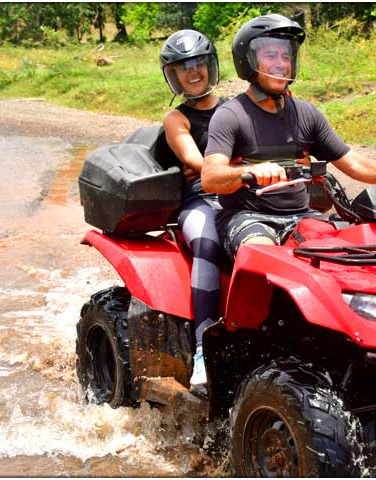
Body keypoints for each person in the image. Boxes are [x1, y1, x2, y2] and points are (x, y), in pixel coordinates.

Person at [201, 14, 376, 259]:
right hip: (247, 218)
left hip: (301, 217)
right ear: (248, 61)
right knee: (264, 255)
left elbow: (354, 163)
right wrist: (246, 173)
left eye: (286, 56)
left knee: (344, 252)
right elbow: (211, 177)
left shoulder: (307, 113)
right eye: (270, 56)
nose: (281, 63)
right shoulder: (230, 115)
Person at [160, 29, 223, 388]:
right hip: (202, 198)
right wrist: (238, 168)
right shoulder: (177, 119)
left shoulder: (238, 108)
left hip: (249, 194)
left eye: (198, 63)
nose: (193, 72)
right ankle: (202, 348)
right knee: (207, 239)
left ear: (210, 66)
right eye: (183, 68)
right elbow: (195, 161)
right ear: (174, 75)